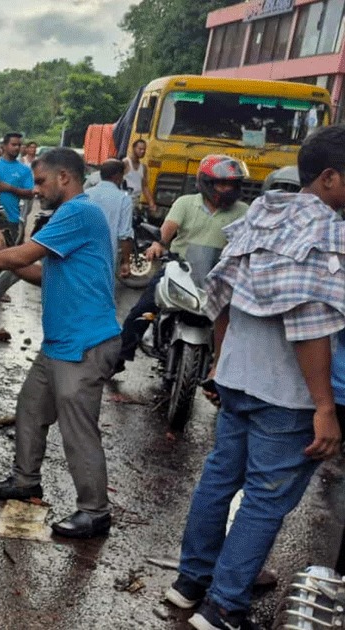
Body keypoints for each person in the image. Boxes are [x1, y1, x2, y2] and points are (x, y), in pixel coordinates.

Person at [164, 125, 345, 630]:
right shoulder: (326, 232)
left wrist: (222, 362)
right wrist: (325, 407)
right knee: (265, 499)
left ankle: (190, 583)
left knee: (219, 479)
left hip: (239, 378)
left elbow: (219, 296)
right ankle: (223, 607)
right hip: (285, 395)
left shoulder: (264, 215)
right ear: (330, 178)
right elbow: (309, 324)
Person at [0, 148, 121, 539]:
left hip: (85, 343)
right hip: (61, 342)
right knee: (29, 409)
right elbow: (38, 273)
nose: (36, 190)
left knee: (78, 430)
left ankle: (95, 511)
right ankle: (26, 481)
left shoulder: (80, 211)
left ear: (65, 177)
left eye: (41, 182)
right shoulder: (69, 216)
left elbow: (26, 253)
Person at [115, 155, 250, 376]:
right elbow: (169, 228)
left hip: (220, 276)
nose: (226, 189)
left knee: (240, 322)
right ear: (207, 182)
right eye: (221, 183)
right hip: (181, 268)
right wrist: (159, 244)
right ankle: (119, 358)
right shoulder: (186, 202)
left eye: (231, 184)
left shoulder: (243, 211)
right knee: (142, 311)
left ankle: (221, 372)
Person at [85, 159, 134, 279]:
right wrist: (126, 261)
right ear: (117, 176)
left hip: (83, 255)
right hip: (106, 258)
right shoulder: (124, 199)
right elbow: (124, 235)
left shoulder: (86, 194)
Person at [0, 132, 35, 232]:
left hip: (11, 219)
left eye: (19, 145)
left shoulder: (24, 170)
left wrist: (10, 188)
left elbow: (31, 193)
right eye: (13, 145)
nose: (17, 148)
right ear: (4, 146)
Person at [124, 139, 158, 216]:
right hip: (125, 201)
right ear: (133, 148)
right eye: (140, 149)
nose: (142, 151)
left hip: (135, 202)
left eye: (144, 149)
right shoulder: (125, 163)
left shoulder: (143, 167)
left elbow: (145, 186)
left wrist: (151, 204)